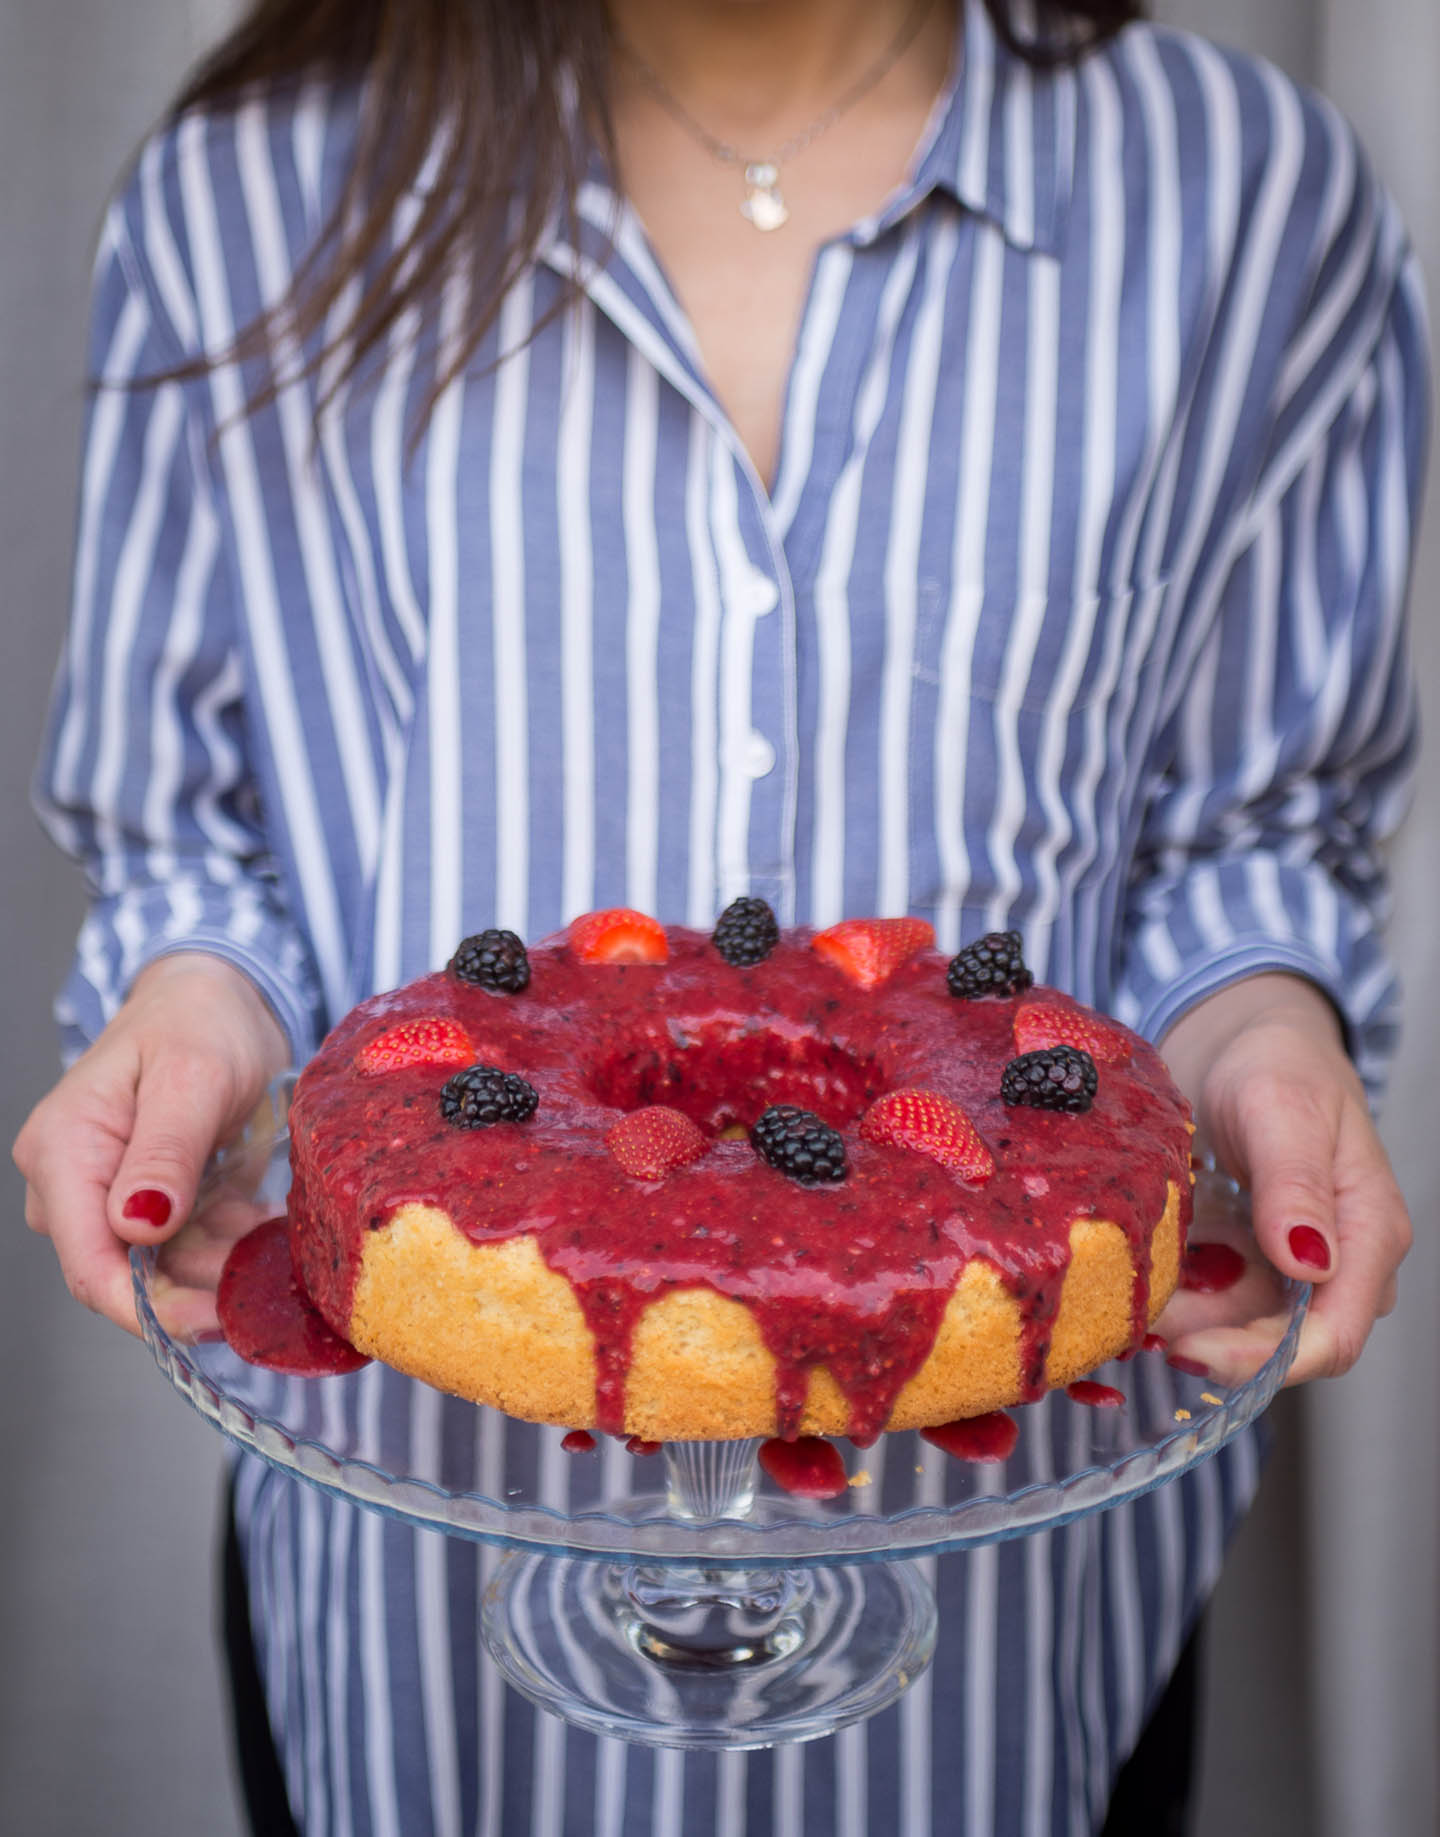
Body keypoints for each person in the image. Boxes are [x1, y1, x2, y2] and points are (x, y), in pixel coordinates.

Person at [14, 0, 1425, 1831]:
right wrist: (188, 1009)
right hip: (409, 1633)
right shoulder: (242, 198)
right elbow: (192, 842)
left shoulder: (1245, 194)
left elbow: (1255, 824)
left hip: (1016, 1651)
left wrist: (1267, 1038)